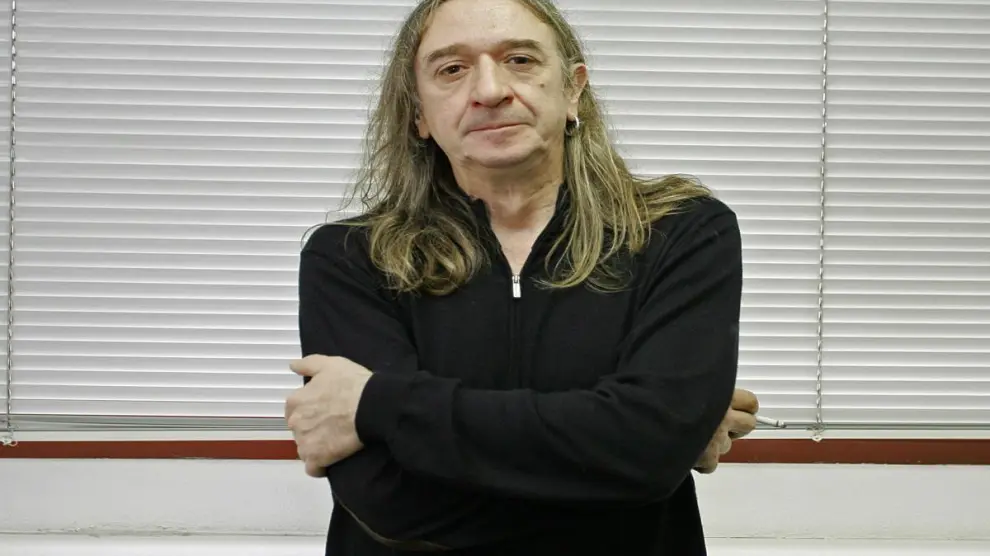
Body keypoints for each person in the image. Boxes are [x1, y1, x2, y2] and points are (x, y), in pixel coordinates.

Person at [284, 0, 761, 554]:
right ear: (419, 114)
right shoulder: (350, 257)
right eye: (451, 69)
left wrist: (379, 405)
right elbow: (388, 499)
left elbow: (649, 453)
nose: (489, 90)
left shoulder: (682, 231)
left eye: (520, 60)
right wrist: (630, 451)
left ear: (573, 89)